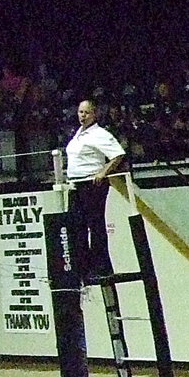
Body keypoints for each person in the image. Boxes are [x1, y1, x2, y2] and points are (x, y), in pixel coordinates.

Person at [65, 98, 126, 284]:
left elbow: (118, 154)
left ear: (94, 114)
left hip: (92, 184)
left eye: (86, 113)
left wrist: (103, 172)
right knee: (77, 225)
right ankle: (83, 266)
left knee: (95, 224)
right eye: (80, 112)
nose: (82, 116)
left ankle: (101, 265)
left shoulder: (100, 134)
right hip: (77, 184)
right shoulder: (78, 134)